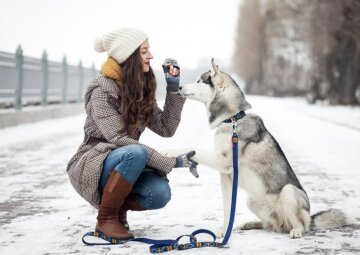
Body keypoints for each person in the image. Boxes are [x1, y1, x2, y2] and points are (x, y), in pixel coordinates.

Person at [66, 27, 197, 241]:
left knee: (160, 194)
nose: (151, 56)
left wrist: (173, 89)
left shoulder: (140, 88)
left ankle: (118, 212)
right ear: (129, 55)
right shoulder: (101, 91)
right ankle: (106, 220)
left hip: (127, 159)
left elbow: (166, 128)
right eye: (144, 51)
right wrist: (170, 162)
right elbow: (119, 140)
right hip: (94, 161)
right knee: (134, 152)